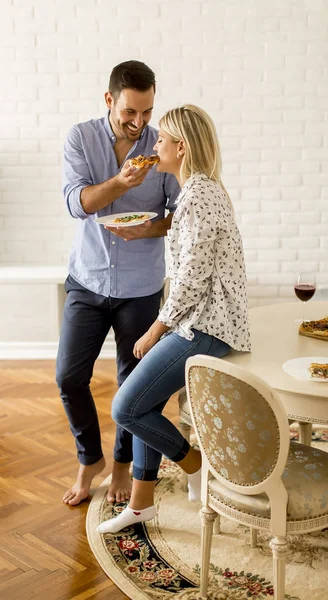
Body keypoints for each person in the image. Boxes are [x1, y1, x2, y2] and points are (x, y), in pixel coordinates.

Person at [96, 104, 251, 534]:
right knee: (145, 404)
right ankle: (142, 504)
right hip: (203, 321)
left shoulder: (199, 194)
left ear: (180, 148)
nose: (155, 143)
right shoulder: (198, 190)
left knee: (126, 406)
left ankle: (195, 463)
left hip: (206, 326)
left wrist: (154, 329)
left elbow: (191, 279)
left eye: (162, 138)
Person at [56, 60, 180, 506]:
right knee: (69, 376)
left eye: (147, 113)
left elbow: (177, 216)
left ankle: (123, 465)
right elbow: (78, 203)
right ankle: (90, 459)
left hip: (141, 285)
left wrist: (146, 229)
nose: (139, 122)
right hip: (87, 278)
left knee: (134, 382)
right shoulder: (80, 138)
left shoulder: (163, 148)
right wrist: (121, 181)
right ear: (110, 100)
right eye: (130, 111)